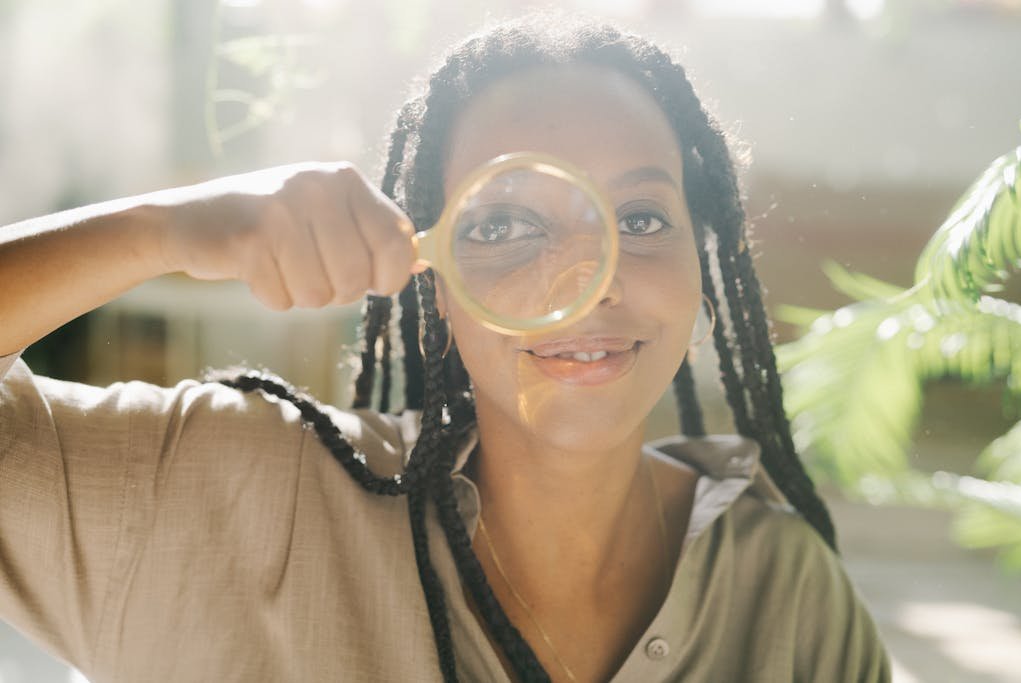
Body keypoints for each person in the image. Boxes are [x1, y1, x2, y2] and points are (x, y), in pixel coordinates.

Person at [0, 13, 891, 683]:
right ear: (434, 278)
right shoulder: (229, 494)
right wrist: (164, 229)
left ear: (703, 268)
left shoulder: (788, 596)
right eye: (506, 222)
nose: (587, 273)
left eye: (643, 217)